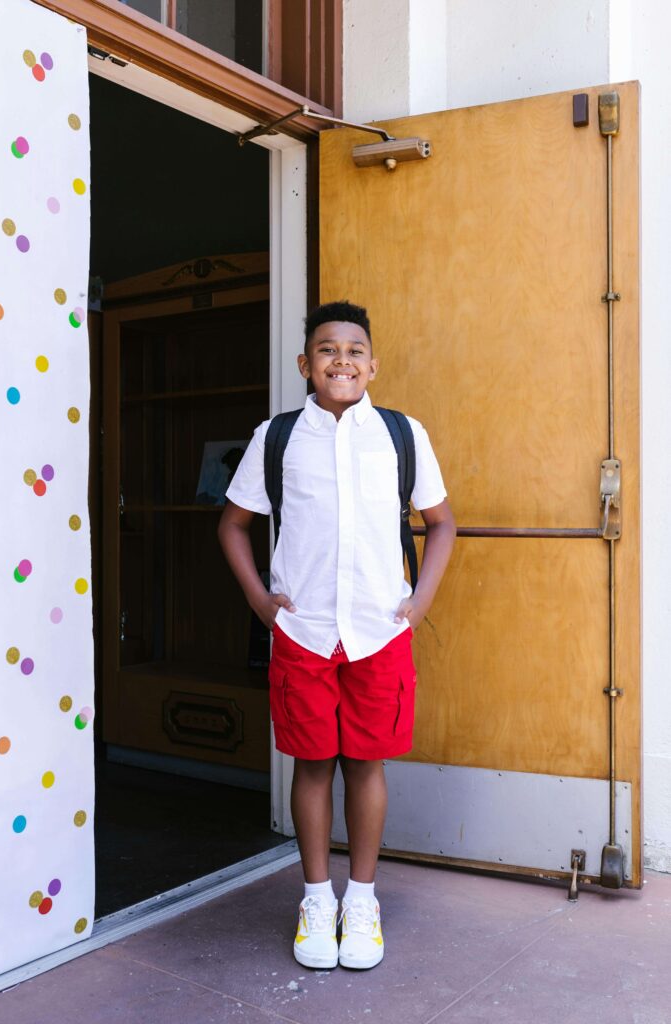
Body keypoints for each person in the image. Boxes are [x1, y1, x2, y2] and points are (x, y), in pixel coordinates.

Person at [218, 300, 456, 971]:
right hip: (305, 631)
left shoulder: (402, 434)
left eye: (354, 350)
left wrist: (418, 601)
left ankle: (362, 898)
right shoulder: (277, 437)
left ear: (372, 364)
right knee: (313, 762)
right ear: (305, 364)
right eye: (326, 349)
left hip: (378, 630)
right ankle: (317, 898)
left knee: (367, 762)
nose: (341, 360)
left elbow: (441, 523)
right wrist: (262, 602)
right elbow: (232, 524)